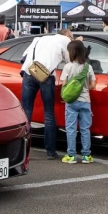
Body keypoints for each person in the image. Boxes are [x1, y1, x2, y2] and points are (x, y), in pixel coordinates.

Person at [21, 28, 72, 159]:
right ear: (67, 35)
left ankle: (22, 150)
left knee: (26, 113)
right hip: (46, 76)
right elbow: (70, 62)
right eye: (71, 37)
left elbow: (24, 57)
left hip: (29, 72)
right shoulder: (65, 40)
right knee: (48, 112)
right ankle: (50, 151)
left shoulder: (39, 38)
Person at [60, 39, 96, 164]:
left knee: (71, 129)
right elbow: (93, 85)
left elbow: (64, 84)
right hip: (85, 101)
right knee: (85, 129)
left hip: (71, 102)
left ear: (71, 53)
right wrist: (83, 87)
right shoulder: (88, 67)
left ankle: (71, 155)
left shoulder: (67, 67)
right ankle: (86, 156)